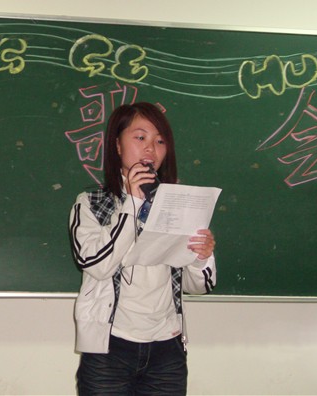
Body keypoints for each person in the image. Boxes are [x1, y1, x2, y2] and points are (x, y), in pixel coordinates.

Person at [68, 102, 217, 395]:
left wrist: (201, 256)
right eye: (140, 137)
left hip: (166, 349)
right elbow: (97, 264)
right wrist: (133, 203)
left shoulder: (178, 202)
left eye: (160, 141)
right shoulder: (91, 203)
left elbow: (200, 286)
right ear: (117, 146)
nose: (151, 148)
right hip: (109, 349)